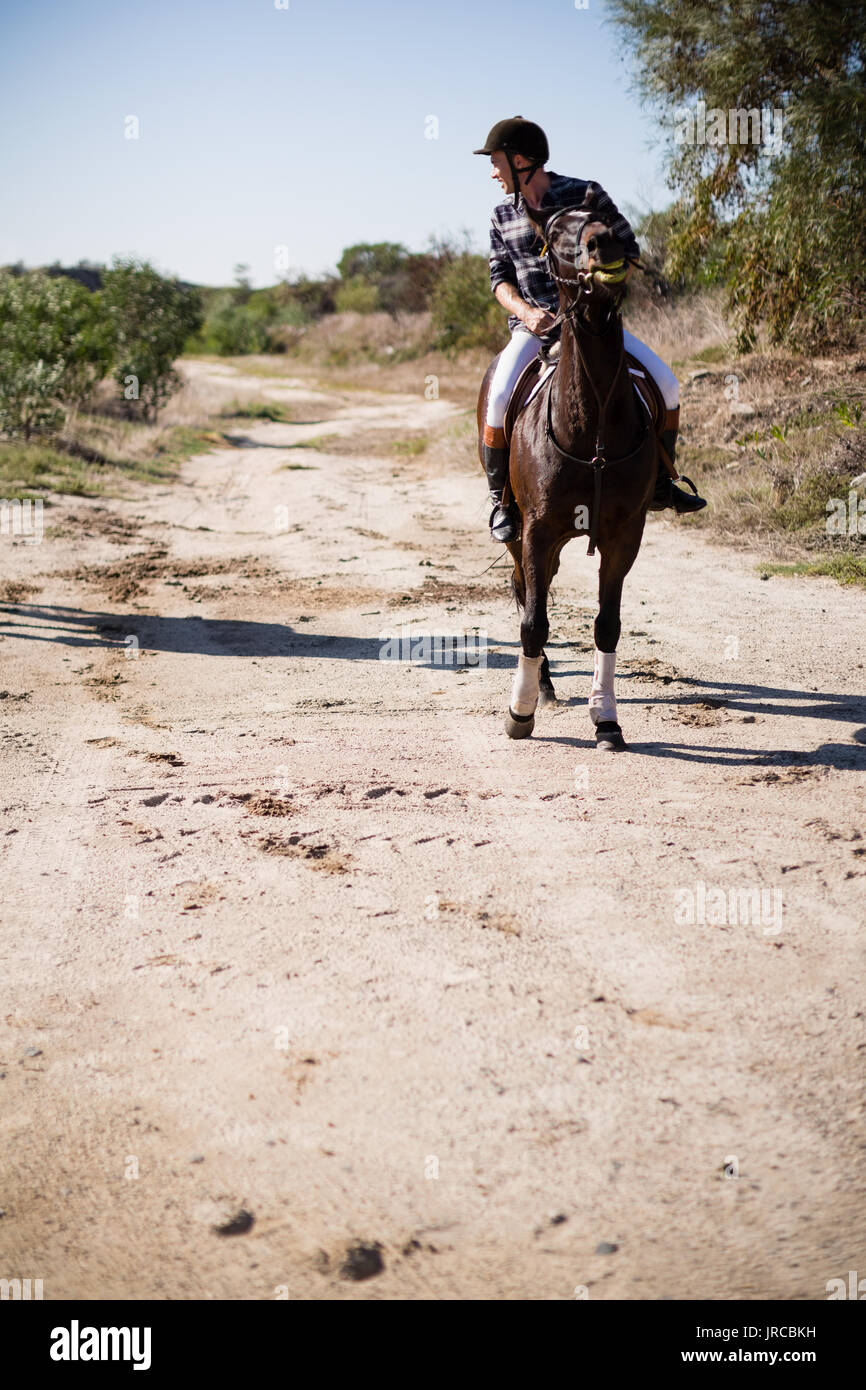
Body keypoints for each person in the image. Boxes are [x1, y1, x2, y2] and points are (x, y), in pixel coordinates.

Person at [474, 116, 707, 542]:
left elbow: (629, 250)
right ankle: (501, 502)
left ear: (520, 160)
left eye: (495, 163)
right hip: (535, 330)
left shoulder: (584, 194)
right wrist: (527, 314)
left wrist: (601, 282)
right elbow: (499, 280)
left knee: (668, 386)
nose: (492, 172)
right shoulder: (501, 215)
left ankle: (659, 483)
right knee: (499, 397)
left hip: (594, 325)